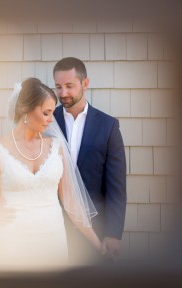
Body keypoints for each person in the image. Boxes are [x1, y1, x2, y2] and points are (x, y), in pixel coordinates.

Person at [0, 77, 101, 268]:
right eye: (46, 113)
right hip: (10, 242)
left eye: (52, 112)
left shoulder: (57, 147)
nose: (51, 119)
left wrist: (98, 244)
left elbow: (72, 202)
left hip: (52, 241)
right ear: (25, 110)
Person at [53, 57, 127, 261]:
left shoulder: (108, 126)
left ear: (85, 83)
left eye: (69, 86)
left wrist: (113, 233)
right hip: (54, 228)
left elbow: (116, 186)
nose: (63, 93)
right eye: (58, 86)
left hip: (95, 231)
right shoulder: (48, 121)